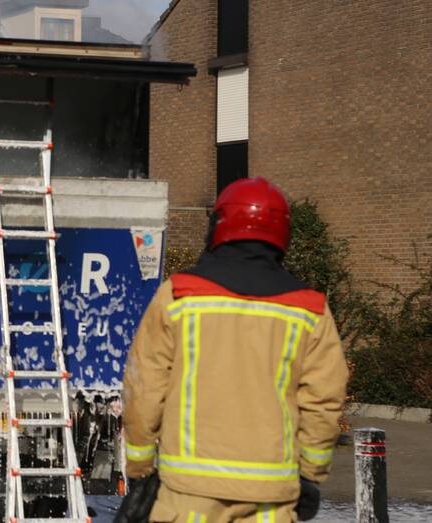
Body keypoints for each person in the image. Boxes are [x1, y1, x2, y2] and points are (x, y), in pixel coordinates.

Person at [116, 177, 349, 523]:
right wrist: (310, 475)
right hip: (270, 498)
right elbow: (323, 401)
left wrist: (140, 468)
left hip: (188, 493)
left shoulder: (178, 296)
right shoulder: (310, 310)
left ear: (218, 227)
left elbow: (144, 390)